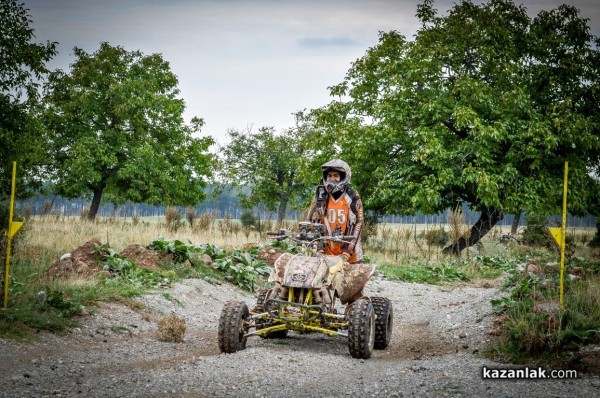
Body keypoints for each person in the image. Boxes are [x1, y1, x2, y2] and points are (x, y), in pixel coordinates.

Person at [307, 159, 364, 263]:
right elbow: (315, 223)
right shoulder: (321, 195)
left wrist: (347, 253)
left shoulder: (352, 196)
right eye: (329, 176)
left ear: (343, 177)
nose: (332, 179)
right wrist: (319, 248)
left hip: (350, 257)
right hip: (326, 254)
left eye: (335, 175)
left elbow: (357, 224)